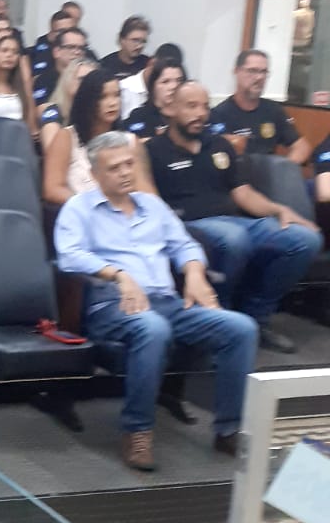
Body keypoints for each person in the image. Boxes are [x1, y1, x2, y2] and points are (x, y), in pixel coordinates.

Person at [55, 130, 257, 471]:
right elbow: (69, 256)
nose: (125, 172)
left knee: (241, 328)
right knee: (153, 329)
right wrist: (118, 274)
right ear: (95, 174)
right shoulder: (79, 208)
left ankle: (228, 429)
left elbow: (185, 245)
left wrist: (194, 273)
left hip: (167, 302)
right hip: (113, 304)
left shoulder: (153, 206)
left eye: (129, 164)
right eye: (114, 167)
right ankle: (137, 431)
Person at [147, 82, 321, 351]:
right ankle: (220, 321)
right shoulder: (153, 150)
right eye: (191, 106)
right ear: (171, 109)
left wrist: (279, 210)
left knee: (304, 239)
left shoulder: (219, 144)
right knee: (234, 238)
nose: (200, 113)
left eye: (205, 106)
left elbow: (243, 193)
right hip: (190, 226)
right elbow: (151, 203)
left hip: (236, 221)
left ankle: (256, 318)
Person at [43, 69, 139, 205]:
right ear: (88, 100)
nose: (113, 103)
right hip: (82, 212)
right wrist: (90, 208)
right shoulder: (67, 137)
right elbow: (52, 189)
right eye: (103, 97)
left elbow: (143, 190)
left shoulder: (130, 140)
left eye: (116, 95)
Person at [209, 50, 312, 163]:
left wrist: (283, 169)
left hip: (268, 170)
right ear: (236, 71)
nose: (259, 77)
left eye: (264, 72)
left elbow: (302, 147)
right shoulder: (219, 114)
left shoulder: (273, 110)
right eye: (252, 71)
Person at [40, 57, 97, 153]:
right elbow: (53, 152)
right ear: (68, 80)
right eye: (81, 79)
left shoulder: (99, 112)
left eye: (92, 79)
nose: (87, 84)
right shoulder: (53, 112)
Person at [101, 15, 152, 119]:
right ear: (121, 39)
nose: (139, 46)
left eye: (143, 41)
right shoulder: (105, 64)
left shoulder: (148, 65)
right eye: (135, 40)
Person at [0, 33, 35, 129]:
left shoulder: (22, 88)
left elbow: (30, 126)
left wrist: (27, 84)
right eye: (4, 50)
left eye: (15, 52)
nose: (9, 55)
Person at [125, 57, 185, 141]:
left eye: (179, 80)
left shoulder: (189, 116)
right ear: (153, 86)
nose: (174, 86)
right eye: (165, 81)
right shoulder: (138, 117)